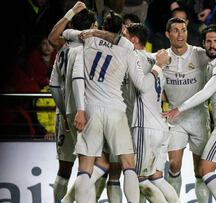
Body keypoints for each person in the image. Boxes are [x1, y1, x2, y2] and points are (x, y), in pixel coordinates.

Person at [71, 11, 170, 203]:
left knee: (86, 167)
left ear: (102, 28)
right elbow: (143, 83)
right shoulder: (128, 50)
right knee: (128, 167)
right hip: (121, 114)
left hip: (93, 110)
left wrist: (80, 109)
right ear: (121, 30)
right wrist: (159, 65)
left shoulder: (88, 43)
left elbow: (76, 74)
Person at [163, 24, 216, 203]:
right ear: (203, 43)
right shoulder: (213, 63)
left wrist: (178, 109)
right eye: (208, 41)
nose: (212, 45)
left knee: (204, 170)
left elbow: (205, 93)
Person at [48, 2, 102, 202]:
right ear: (92, 27)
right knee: (89, 167)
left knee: (64, 169)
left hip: (65, 114)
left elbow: (53, 86)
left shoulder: (64, 48)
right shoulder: (84, 50)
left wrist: (63, 114)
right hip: (83, 112)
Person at [123, 23, 180, 203]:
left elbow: (142, 85)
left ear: (134, 40)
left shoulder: (133, 56)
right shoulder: (156, 60)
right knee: (156, 177)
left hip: (144, 127)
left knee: (136, 179)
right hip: (161, 128)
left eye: (125, 37)